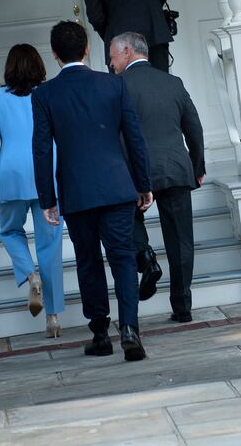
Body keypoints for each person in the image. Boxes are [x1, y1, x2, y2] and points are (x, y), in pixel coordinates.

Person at [32, 21, 153, 361]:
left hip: (76, 192)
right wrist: (143, 184)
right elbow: (135, 138)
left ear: (55, 55)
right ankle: (129, 327)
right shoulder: (113, 84)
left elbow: (41, 149)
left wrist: (47, 199)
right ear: (86, 49)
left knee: (88, 262)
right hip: (116, 187)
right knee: (123, 258)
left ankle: (100, 333)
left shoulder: (44, 95)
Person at [110, 32, 206, 322]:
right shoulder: (172, 82)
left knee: (128, 218)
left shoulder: (117, 86)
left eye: (113, 56)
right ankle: (182, 306)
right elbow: (194, 127)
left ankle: (145, 256)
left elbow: (115, 133)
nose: (110, 63)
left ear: (127, 52)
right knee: (180, 240)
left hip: (134, 171)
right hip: (176, 168)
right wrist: (197, 167)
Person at [0, 44, 65, 338]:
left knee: (9, 230)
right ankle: (53, 317)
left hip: (11, 175)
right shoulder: (49, 93)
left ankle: (30, 274)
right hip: (47, 173)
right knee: (50, 243)